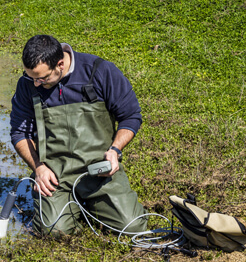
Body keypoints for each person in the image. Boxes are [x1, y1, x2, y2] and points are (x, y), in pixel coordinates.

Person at [10, 35, 147, 236]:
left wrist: (115, 150)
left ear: (60, 64)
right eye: (32, 77)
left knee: (133, 228)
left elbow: (131, 116)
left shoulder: (100, 70)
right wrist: (39, 168)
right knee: (53, 231)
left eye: (42, 78)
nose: (36, 84)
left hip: (98, 171)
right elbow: (20, 132)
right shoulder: (27, 84)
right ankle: (69, 206)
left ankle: (91, 205)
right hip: (55, 175)